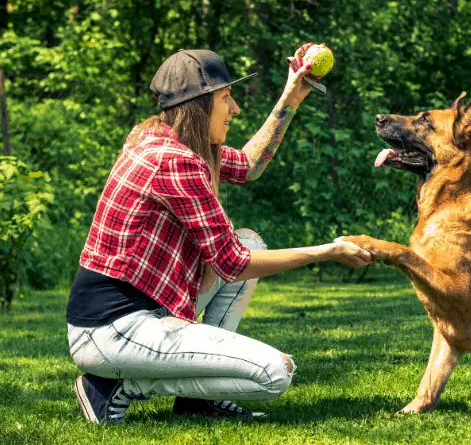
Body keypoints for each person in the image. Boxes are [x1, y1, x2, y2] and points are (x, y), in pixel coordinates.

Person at [66, 46, 373, 424]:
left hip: (134, 314)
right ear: (198, 105)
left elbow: (247, 165)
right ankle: (113, 389)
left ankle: (197, 400)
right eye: (225, 98)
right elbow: (231, 263)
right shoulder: (174, 161)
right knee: (275, 373)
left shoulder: (163, 139)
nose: (236, 109)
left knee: (249, 241)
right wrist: (325, 251)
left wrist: (292, 94)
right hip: (112, 330)